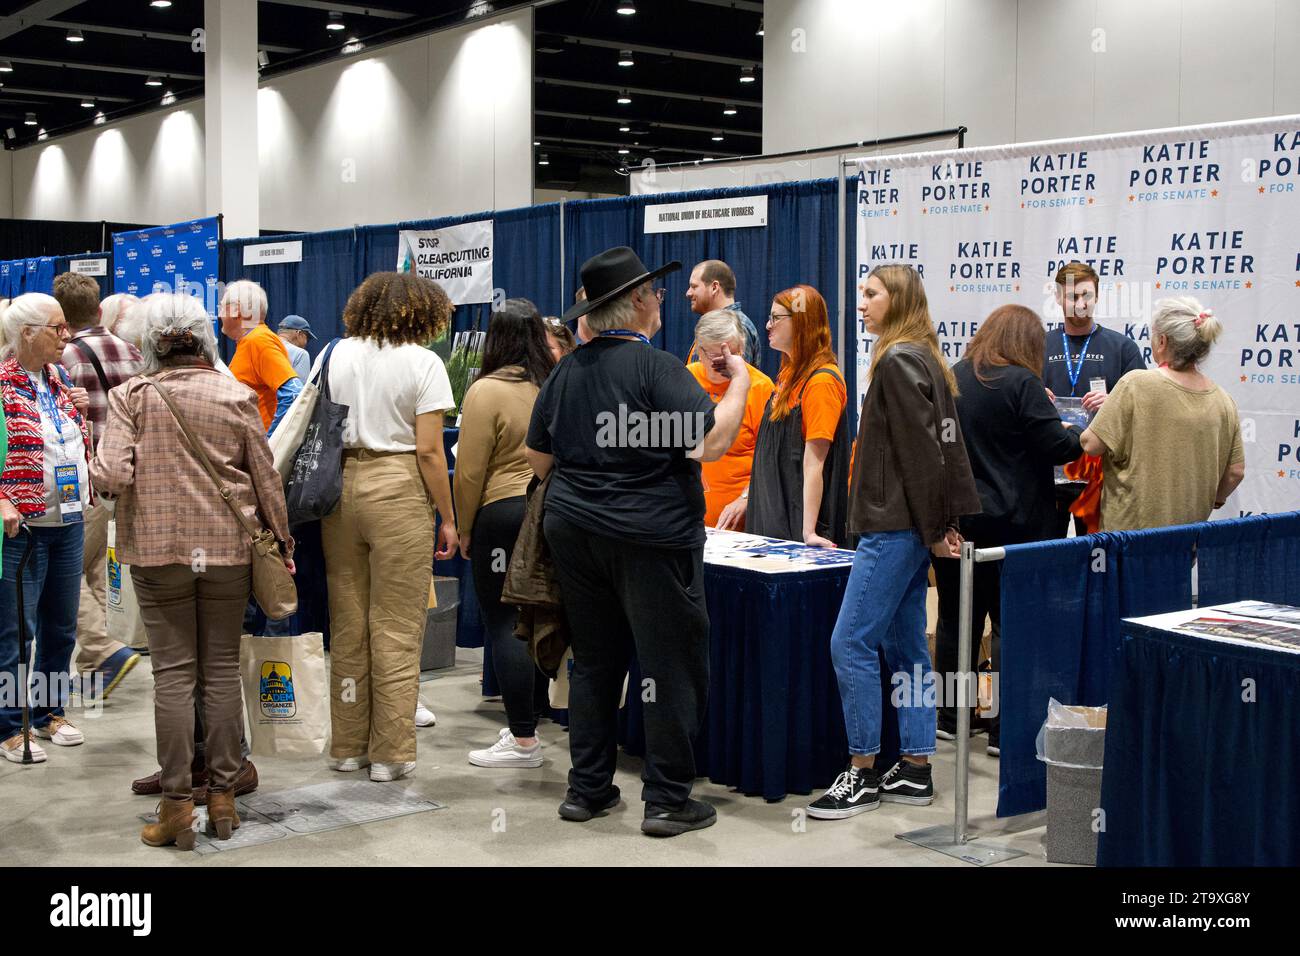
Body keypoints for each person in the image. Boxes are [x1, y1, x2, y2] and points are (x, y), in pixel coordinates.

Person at [527, 246, 750, 837]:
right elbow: (710, 443)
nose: (659, 302)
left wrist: (590, 483)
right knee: (669, 664)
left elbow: (537, 456)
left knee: (596, 661)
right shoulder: (656, 371)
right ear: (634, 305)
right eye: (652, 293)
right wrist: (742, 384)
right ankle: (667, 798)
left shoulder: (566, 372)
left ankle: (588, 789)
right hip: (651, 537)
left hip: (575, 533)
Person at [91, 293, 293, 849]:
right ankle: (225, 796)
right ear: (204, 339)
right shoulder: (235, 394)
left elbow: (110, 474)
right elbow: (266, 476)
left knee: (175, 676)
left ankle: (177, 804)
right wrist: (281, 540)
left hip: (157, 557)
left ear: (149, 343)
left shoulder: (131, 396)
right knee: (222, 671)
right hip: (227, 552)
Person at [807, 264, 980, 820]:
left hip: (893, 528)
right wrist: (941, 525)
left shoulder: (900, 360)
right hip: (908, 526)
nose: (861, 303)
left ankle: (861, 772)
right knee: (906, 649)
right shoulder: (923, 356)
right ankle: (915, 767)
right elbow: (942, 450)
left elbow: (924, 456)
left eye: (871, 294)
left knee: (849, 643)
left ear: (898, 300)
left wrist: (934, 531)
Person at [319, 272, 458, 783]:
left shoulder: (334, 354)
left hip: (340, 488)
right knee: (397, 626)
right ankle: (390, 755)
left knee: (349, 624)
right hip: (398, 486)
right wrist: (447, 515)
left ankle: (347, 747)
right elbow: (428, 451)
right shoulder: (424, 363)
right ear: (424, 312)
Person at [932, 305, 1083, 755]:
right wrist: (1081, 433)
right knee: (1007, 625)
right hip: (1016, 525)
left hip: (962, 523)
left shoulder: (955, 375)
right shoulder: (1023, 383)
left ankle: (950, 717)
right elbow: (1057, 446)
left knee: (956, 622)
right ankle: (1001, 726)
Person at [455, 299, 556, 768]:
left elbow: (469, 472)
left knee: (504, 622)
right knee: (538, 617)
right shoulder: (553, 381)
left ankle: (523, 741)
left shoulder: (485, 391)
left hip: (502, 513)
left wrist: (462, 526)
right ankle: (531, 718)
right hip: (551, 512)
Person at [0, 293, 92, 764]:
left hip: (69, 519)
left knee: (61, 627)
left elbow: (69, 441)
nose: (67, 335)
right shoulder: (1, 384)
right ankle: (10, 725)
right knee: (17, 630)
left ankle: (48, 712)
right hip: (24, 527)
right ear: (28, 333)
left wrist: (79, 410)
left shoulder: (57, 378)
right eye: (57, 328)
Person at [53, 272, 145, 702]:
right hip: (127, 474)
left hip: (87, 479)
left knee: (63, 566)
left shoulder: (66, 357)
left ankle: (102, 649)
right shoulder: (132, 351)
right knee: (92, 569)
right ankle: (96, 668)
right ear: (98, 307)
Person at [1080, 297, 1245, 531]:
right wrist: (1215, 498)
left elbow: (1091, 444)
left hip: (1130, 539)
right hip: (1186, 540)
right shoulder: (1223, 401)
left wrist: (1071, 428)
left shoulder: (1135, 384)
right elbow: (1235, 472)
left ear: (1162, 341)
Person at [1043, 262, 1146, 536]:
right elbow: (1012, 405)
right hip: (1045, 479)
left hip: (1103, 480)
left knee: (1099, 561)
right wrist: (1033, 396)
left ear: (1097, 297)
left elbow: (1145, 407)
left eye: (1085, 295)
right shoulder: (1036, 346)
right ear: (1057, 298)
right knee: (1043, 561)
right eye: (1071, 296)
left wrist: (1114, 402)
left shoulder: (1122, 348)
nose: (1079, 303)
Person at [745, 285, 849, 547]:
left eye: (775, 318)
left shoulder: (821, 383)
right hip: (770, 524)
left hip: (796, 532)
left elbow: (815, 463)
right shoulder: (788, 375)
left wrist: (808, 533)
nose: (768, 325)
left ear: (802, 322)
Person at [685, 309, 775, 530]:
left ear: (742, 349)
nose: (723, 365)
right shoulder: (686, 378)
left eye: (730, 355)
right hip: (690, 520)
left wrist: (746, 498)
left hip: (742, 524)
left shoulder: (761, 388)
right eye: (715, 359)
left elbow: (772, 463)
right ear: (698, 349)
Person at [220, 280, 302, 435]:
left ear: (236, 309)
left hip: (259, 453)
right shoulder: (252, 341)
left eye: (223, 307)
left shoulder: (259, 340)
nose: (219, 314)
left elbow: (293, 393)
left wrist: (270, 444)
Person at [685, 259, 760, 367]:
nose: (688, 293)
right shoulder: (716, 325)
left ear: (714, 287)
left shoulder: (736, 327)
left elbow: (734, 380)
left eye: (694, 286)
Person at [276, 314, 315, 380]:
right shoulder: (300, 354)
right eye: (307, 338)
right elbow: (300, 388)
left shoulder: (262, 347)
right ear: (299, 333)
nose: (306, 342)